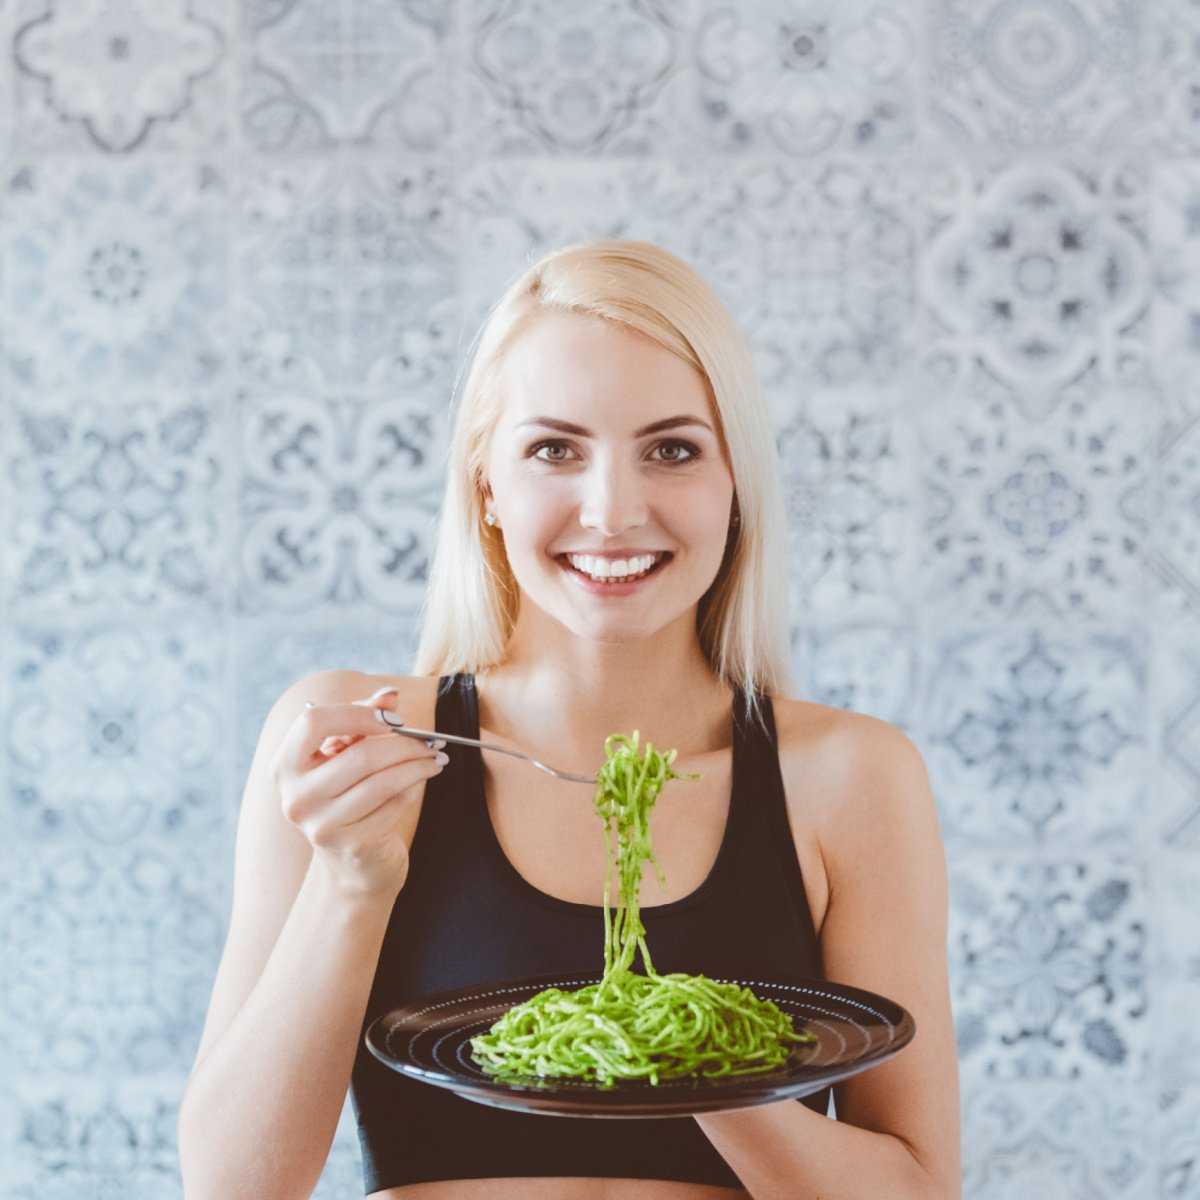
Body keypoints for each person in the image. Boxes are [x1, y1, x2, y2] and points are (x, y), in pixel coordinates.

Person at [178, 240, 961, 1200]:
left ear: (737, 488)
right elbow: (233, 1185)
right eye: (555, 449)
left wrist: (692, 1051)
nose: (612, 508)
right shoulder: (360, 740)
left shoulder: (850, 775)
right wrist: (351, 882)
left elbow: (919, 1189)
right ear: (487, 489)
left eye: (672, 450)